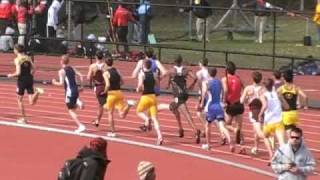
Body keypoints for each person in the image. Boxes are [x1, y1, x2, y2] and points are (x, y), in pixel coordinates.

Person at [159, 55, 201, 143]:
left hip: (179, 95)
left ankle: (196, 130)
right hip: (185, 93)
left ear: (174, 61)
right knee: (174, 109)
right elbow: (195, 78)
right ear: (181, 61)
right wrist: (191, 86)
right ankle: (181, 129)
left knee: (185, 113)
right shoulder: (186, 70)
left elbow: (162, 77)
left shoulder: (171, 71)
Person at [7, 44, 44, 124]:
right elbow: (34, 68)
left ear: (16, 50)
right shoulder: (28, 57)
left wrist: (11, 75)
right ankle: (37, 91)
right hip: (29, 79)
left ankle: (24, 119)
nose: (13, 51)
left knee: (19, 100)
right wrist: (30, 75)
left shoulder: (17, 59)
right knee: (31, 102)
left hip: (22, 81)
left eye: (14, 49)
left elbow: (18, 72)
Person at [200, 67, 234, 151]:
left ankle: (208, 144)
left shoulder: (207, 82)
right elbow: (223, 91)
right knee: (222, 126)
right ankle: (231, 142)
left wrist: (201, 103)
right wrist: (223, 101)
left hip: (211, 106)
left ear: (208, 73)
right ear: (216, 73)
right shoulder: (219, 82)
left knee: (208, 125)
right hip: (219, 105)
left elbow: (204, 93)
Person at [52, 54, 86, 133]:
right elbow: (81, 75)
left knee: (70, 110)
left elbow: (61, 84)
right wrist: (82, 85)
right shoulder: (72, 68)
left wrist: (54, 82)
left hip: (70, 92)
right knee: (73, 106)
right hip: (76, 90)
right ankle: (78, 103)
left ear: (61, 61)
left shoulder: (61, 71)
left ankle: (80, 125)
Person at [103, 57, 133, 137]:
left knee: (110, 113)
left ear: (106, 64)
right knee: (121, 115)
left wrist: (104, 92)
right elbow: (122, 82)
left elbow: (108, 85)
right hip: (119, 93)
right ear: (112, 63)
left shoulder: (105, 73)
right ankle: (129, 105)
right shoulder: (117, 71)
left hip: (111, 94)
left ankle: (113, 132)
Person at [136, 59, 163, 145]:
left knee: (138, 111)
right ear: (151, 66)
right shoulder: (154, 74)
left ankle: (147, 119)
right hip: (153, 97)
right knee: (155, 118)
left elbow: (140, 85)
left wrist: (138, 89)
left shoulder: (142, 74)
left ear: (144, 66)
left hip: (145, 97)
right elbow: (158, 84)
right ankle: (160, 136)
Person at [259, 78, 285, 163]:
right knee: (281, 142)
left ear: (265, 86)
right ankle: (287, 159)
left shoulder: (264, 95)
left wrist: (260, 114)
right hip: (278, 120)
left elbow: (265, 105)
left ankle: (271, 155)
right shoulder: (277, 94)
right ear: (273, 85)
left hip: (269, 121)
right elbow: (286, 105)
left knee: (265, 136)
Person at [221, 61, 245, 153]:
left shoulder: (225, 79)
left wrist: (224, 101)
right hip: (239, 104)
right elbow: (244, 88)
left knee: (226, 125)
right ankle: (242, 146)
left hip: (230, 105)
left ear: (226, 70)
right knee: (239, 127)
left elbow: (226, 90)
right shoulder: (238, 78)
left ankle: (235, 131)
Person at [240, 71, 266, 155]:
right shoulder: (263, 89)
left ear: (252, 79)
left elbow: (241, 101)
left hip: (254, 112)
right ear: (260, 79)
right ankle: (256, 147)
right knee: (256, 130)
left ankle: (267, 144)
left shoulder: (248, 88)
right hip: (262, 111)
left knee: (257, 131)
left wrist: (248, 97)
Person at [87, 50, 107, 127]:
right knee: (101, 105)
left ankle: (97, 120)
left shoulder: (92, 66)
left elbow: (88, 78)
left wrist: (93, 77)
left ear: (96, 57)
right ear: (103, 57)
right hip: (106, 86)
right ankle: (97, 120)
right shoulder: (106, 66)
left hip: (98, 87)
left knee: (102, 105)